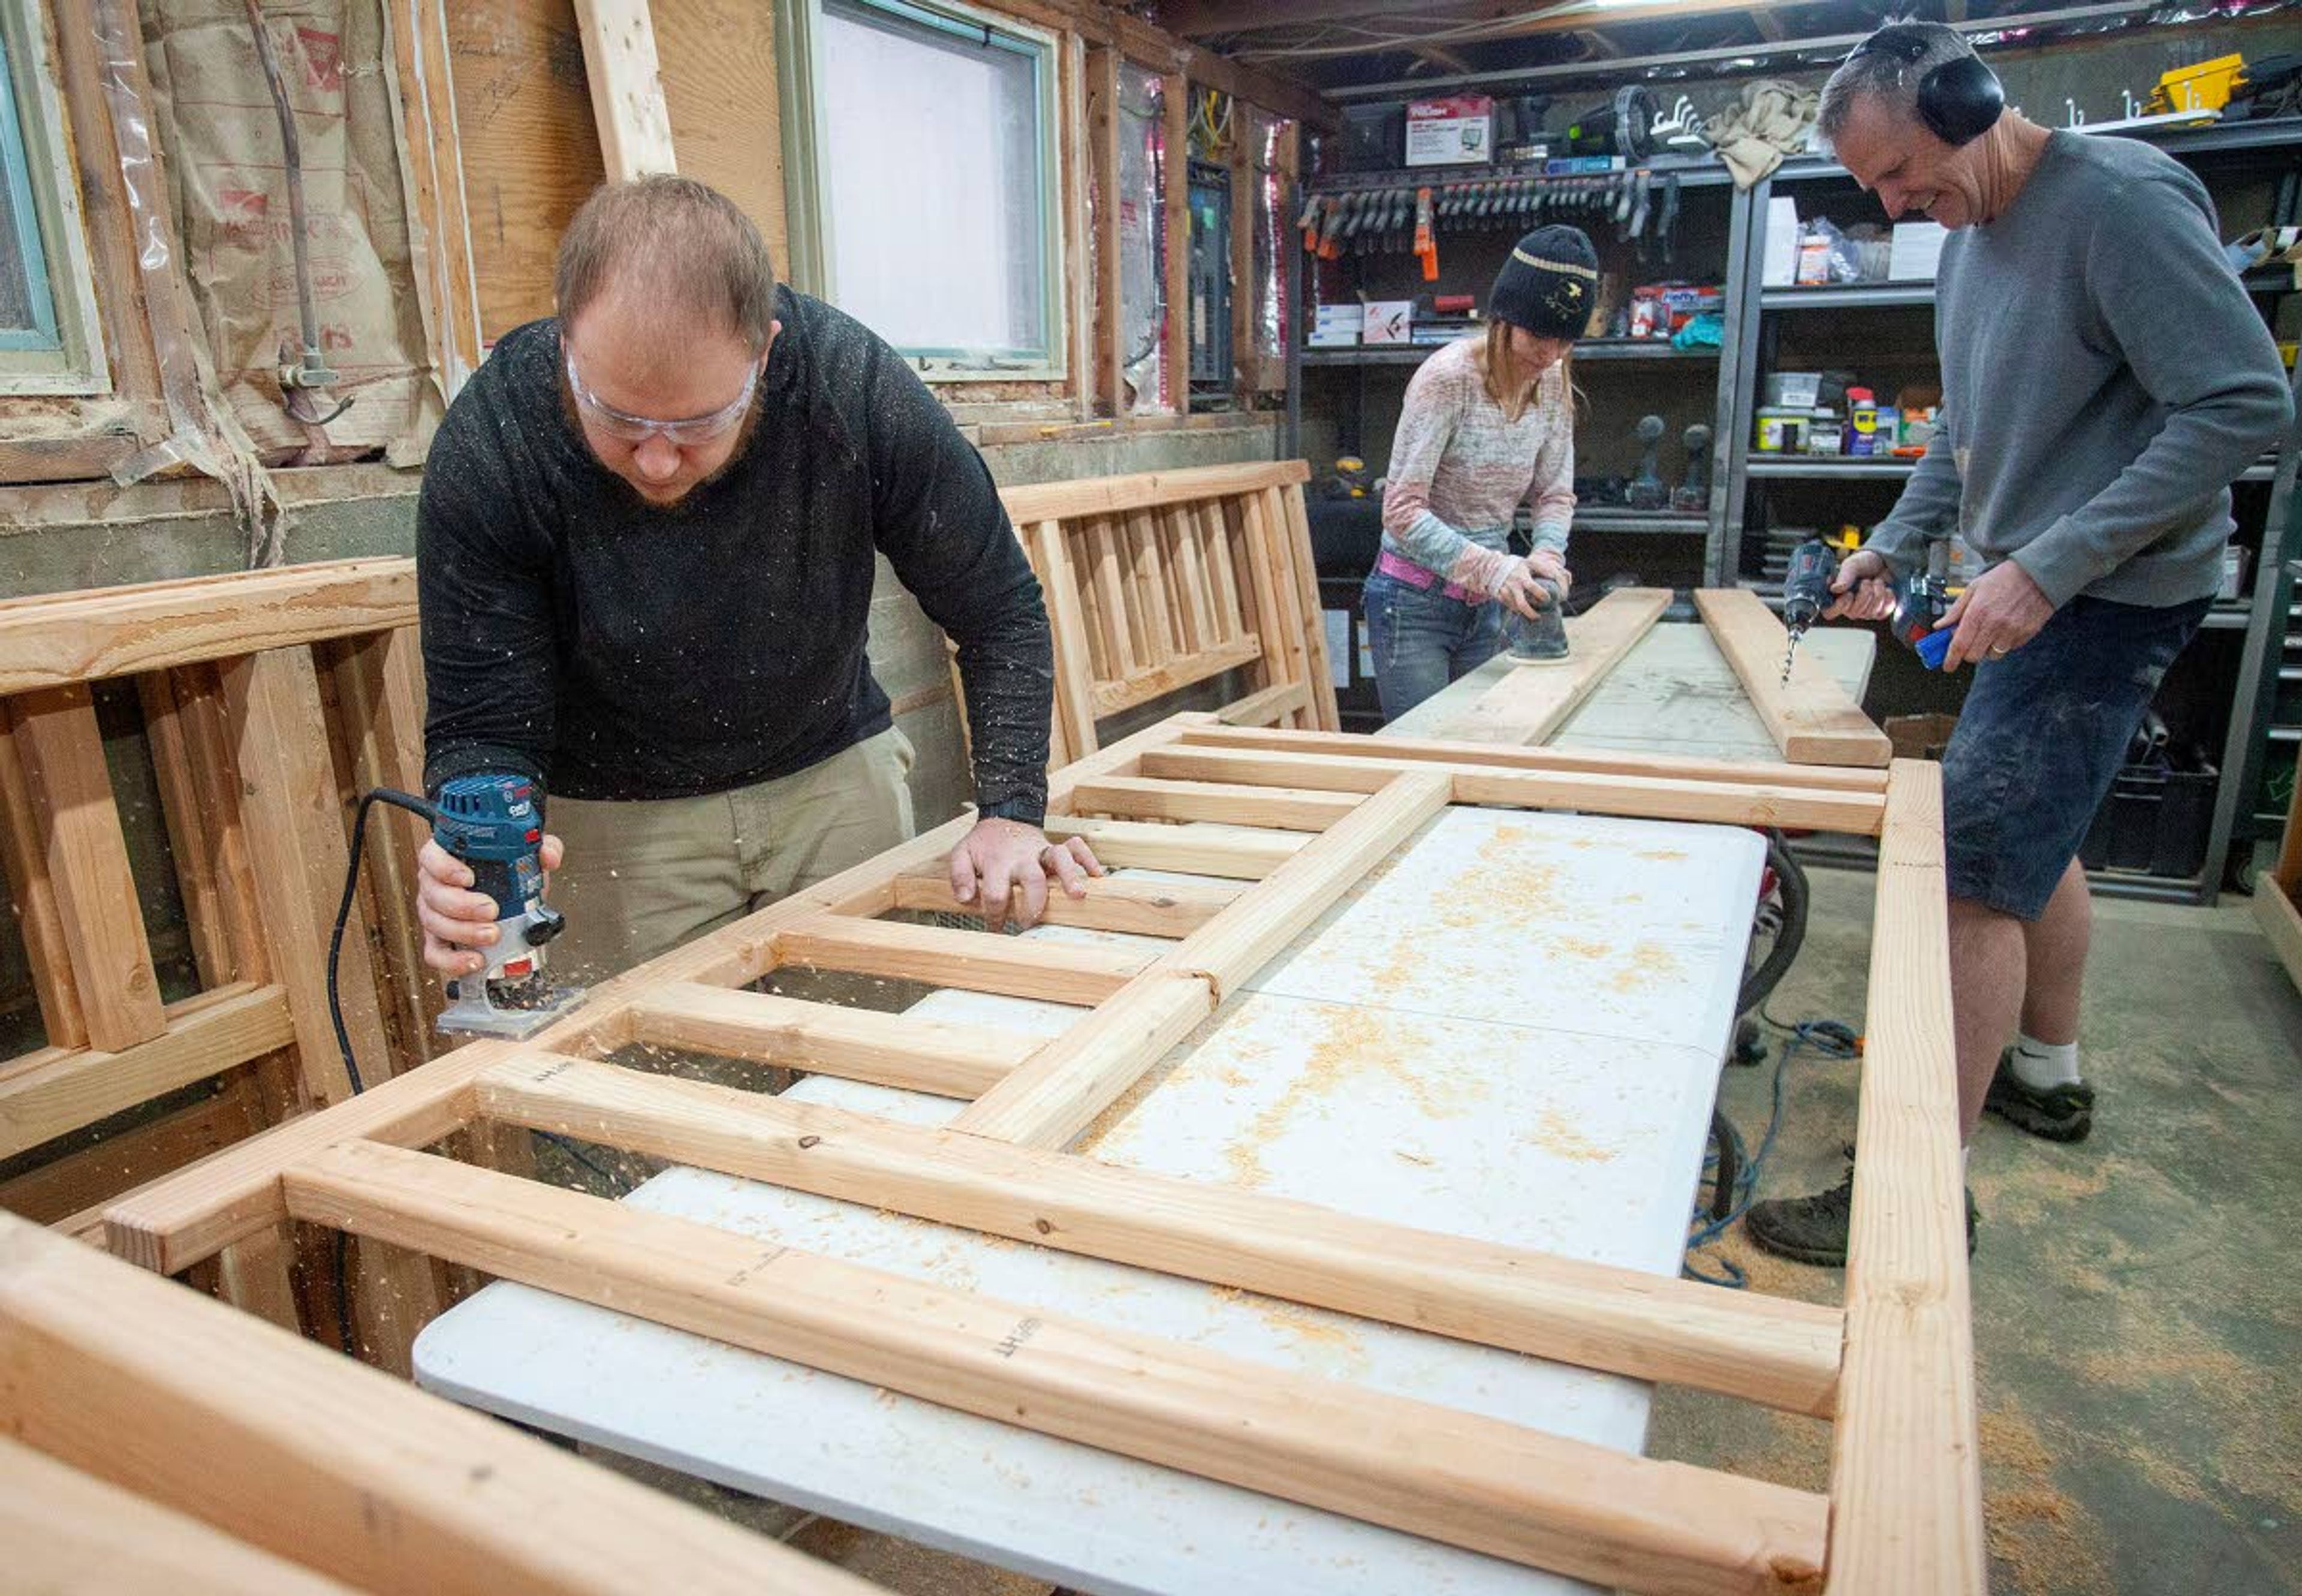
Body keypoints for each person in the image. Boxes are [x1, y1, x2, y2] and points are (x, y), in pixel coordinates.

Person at [1745, 22, 2293, 1266]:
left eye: (1900, 171)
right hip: (2034, 581)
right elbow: (1962, 431)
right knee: (2034, 828)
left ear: (1966, 99)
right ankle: (2044, 1065)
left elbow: (2246, 402)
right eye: (1877, 186)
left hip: (2109, 594)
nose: (1895, 202)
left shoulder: (2119, 204)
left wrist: (2048, 568)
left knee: (1969, 871)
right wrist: (1892, 542)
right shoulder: (1967, 238)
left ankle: (1916, 1188)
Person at [412, 176, 1102, 989]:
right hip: (617, 817)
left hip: (832, 777)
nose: (660, 460)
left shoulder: (850, 385)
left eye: (699, 423)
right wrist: (474, 859)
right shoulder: (496, 437)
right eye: (621, 421)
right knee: (653, 1092)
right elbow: (484, 720)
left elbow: (998, 610)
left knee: (868, 1048)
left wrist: (1013, 810)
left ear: (766, 352)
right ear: (568, 343)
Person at [1363, 225, 1593, 722]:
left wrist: (1548, 554)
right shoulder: (1447, 380)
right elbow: (1401, 512)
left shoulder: (1551, 382)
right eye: (1539, 336)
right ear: (1505, 319)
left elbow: (1554, 493)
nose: (1550, 356)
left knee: (1485, 747)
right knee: (1423, 757)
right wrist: (1496, 569)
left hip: (1489, 604)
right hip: (1414, 603)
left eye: (1565, 343)